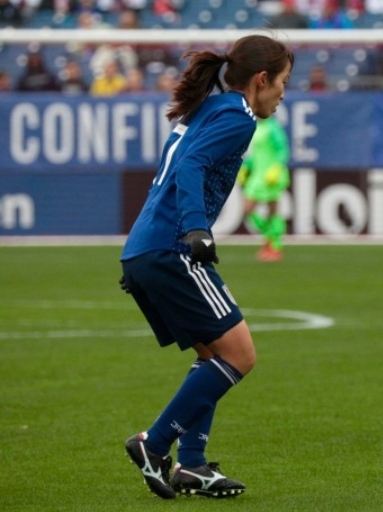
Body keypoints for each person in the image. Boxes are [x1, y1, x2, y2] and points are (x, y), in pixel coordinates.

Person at [118, 34, 293, 500]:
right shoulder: (237, 117)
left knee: (212, 356)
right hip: (174, 248)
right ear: (261, 80)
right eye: (282, 82)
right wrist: (197, 228)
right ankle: (153, 444)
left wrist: (145, 251)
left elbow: (170, 166)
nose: (282, 93)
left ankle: (192, 466)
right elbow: (191, 165)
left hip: (146, 250)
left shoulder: (204, 110)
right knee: (240, 355)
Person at [237, 115, 291, 262]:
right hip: (258, 175)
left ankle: (274, 246)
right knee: (248, 209)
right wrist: (246, 167)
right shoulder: (256, 127)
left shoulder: (273, 127)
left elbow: (283, 150)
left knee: (272, 210)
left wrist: (276, 167)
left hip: (270, 174)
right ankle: (271, 238)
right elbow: (254, 154)